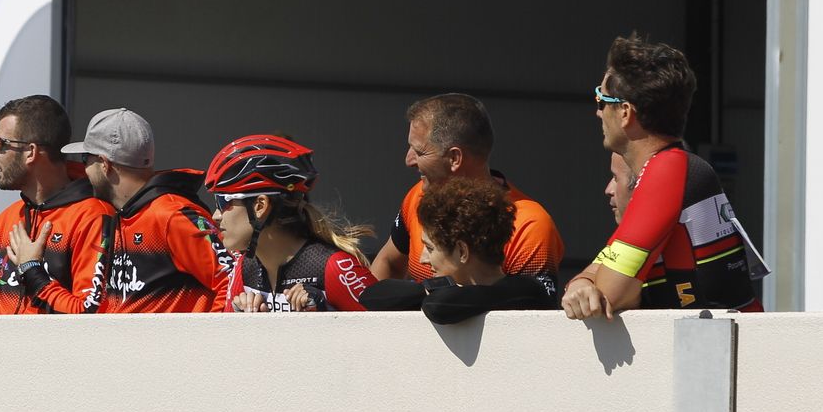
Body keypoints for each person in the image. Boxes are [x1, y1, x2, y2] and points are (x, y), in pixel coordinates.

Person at [563, 35, 765, 320]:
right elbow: (604, 265)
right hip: (710, 347)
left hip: (724, 354)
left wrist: (594, 282)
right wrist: (582, 282)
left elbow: (611, 291)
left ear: (624, 113)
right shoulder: (670, 167)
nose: (597, 112)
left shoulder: (669, 169)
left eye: (601, 99)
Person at [369, 93, 564, 296]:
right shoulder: (418, 196)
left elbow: (531, 314)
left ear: (455, 158)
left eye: (419, 152)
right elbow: (389, 262)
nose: (408, 160)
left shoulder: (529, 225)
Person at [65, 107, 231, 313]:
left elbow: (230, 283)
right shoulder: (121, 214)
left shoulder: (170, 214)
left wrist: (201, 340)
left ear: (104, 164)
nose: (83, 170)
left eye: (85, 159)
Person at [0, 95, 113, 314]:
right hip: (3, 348)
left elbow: (89, 317)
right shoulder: (6, 220)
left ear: (31, 152)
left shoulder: (92, 217)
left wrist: (32, 269)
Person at [204, 134, 376, 312]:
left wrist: (327, 316)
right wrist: (247, 327)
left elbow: (390, 333)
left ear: (260, 206)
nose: (216, 215)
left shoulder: (334, 267)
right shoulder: (245, 268)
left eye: (223, 202)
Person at [362, 177, 558, 322]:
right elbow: (372, 296)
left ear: (462, 251)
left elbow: (439, 307)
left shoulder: (527, 291)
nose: (422, 259)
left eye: (429, 248)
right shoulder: (459, 292)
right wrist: (430, 290)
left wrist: (432, 292)